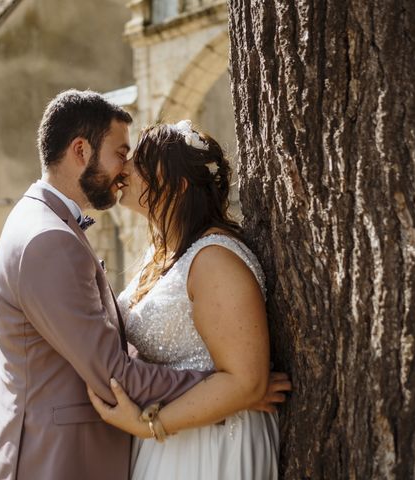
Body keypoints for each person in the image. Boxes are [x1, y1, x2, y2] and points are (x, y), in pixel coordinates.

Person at [87, 120, 287, 479]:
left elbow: (248, 382)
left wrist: (149, 424)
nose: (126, 168)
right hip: (173, 437)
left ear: (177, 186)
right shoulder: (161, 253)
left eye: (141, 162)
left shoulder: (215, 261)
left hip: (213, 445)